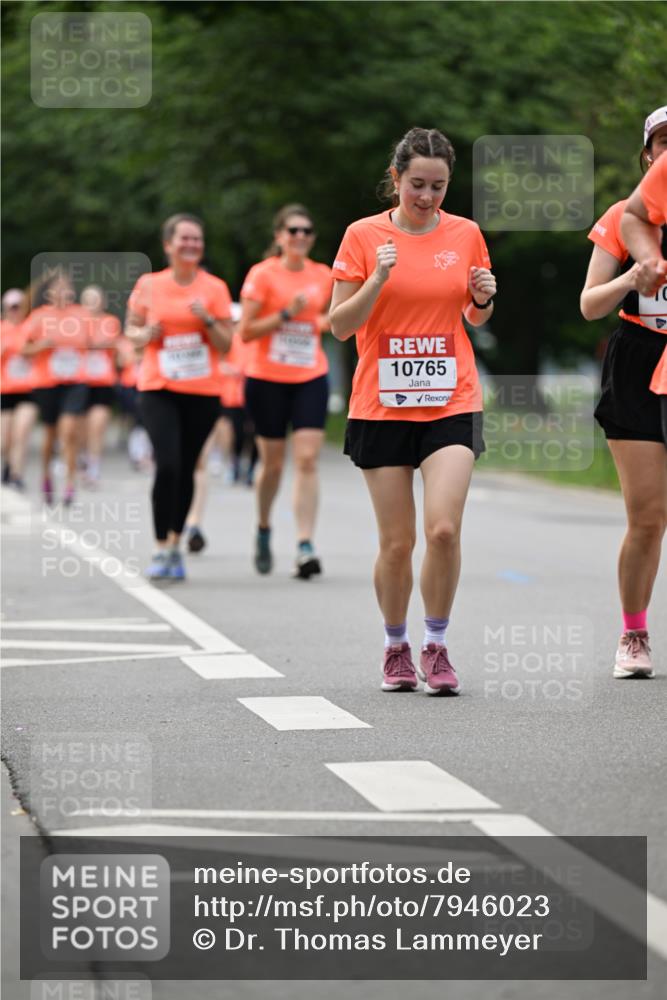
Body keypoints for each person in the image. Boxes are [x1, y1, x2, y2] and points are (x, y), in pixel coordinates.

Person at [329, 126, 496, 695]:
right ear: (396, 178)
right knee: (397, 543)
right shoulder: (362, 236)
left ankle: (437, 644)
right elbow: (341, 325)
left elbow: (475, 319)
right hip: (382, 404)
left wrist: (483, 297)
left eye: (439, 187)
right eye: (417, 184)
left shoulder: (467, 234)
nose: (427, 197)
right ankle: (395, 645)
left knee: (444, 530)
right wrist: (378, 277)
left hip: (452, 399)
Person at [581, 106, 667, 679]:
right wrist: (631, 278)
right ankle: (633, 634)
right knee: (648, 514)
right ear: (647, 155)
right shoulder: (622, 216)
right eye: (662, 144)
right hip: (639, 359)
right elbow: (590, 305)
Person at [125, 213, 233, 581]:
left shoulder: (214, 288)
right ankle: (159, 545)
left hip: (203, 390)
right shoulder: (148, 284)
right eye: (184, 239)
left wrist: (206, 320)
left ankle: (175, 544)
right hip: (159, 387)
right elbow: (131, 331)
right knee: (167, 464)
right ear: (168, 244)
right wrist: (146, 334)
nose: (191, 245)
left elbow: (226, 344)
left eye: (197, 240)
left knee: (187, 467)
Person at [239, 204, 333, 578]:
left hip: (310, 375)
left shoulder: (323, 275)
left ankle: (305, 543)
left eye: (307, 231)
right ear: (278, 236)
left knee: (307, 460)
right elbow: (245, 331)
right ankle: (263, 527)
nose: (300, 237)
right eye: (293, 230)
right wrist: (286, 315)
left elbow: (329, 318)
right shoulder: (262, 275)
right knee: (273, 464)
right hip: (266, 378)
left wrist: (321, 321)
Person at [20, 270, 89, 505]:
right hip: (47, 382)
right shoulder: (39, 317)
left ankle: (70, 484)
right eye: (58, 287)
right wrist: (41, 345)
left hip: (75, 381)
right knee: (50, 433)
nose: (63, 291)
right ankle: (47, 476)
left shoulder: (81, 315)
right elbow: (23, 349)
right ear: (49, 293)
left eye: (67, 286)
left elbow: (92, 343)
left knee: (69, 431)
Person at [80, 285, 122, 487]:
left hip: (103, 381)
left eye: (96, 299)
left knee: (98, 426)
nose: (92, 303)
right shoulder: (75, 322)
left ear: (103, 302)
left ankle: (93, 468)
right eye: (88, 299)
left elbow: (106, 342)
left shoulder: (110, 321)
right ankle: (82, 458)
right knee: (81, 429)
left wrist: (86, 342)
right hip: (79, 382)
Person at [1, 288, 37, 490]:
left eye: (19, 307)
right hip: (5, 390)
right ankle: (8, 464)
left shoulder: (31, 328)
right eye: (12, 307)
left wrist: (33, 350)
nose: (15, 311)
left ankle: (17, 474)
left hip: (29, 389)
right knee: (5, 440)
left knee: (21, 433)